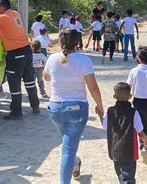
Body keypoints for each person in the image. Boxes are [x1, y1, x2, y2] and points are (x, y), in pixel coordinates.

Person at [43, 28, 104, 183]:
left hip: (55, 108)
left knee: (67, 142)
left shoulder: (52, 58)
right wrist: (100, 105)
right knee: (68, 149)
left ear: (60, 41)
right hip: (76, 109)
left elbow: (47, 77)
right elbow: (93, 87)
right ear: (78, 42)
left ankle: (75, 163)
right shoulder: (84, 61)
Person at [103, 82, 147, 184]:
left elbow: (105, 127)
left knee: (120, 174)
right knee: (128, 177)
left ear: (114, 96)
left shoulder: (110, 111)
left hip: (114, 150)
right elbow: (140, 131)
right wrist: (145, 141)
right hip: (129, 151)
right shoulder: (134, 112)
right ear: (130, 96)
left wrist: (100, 114)